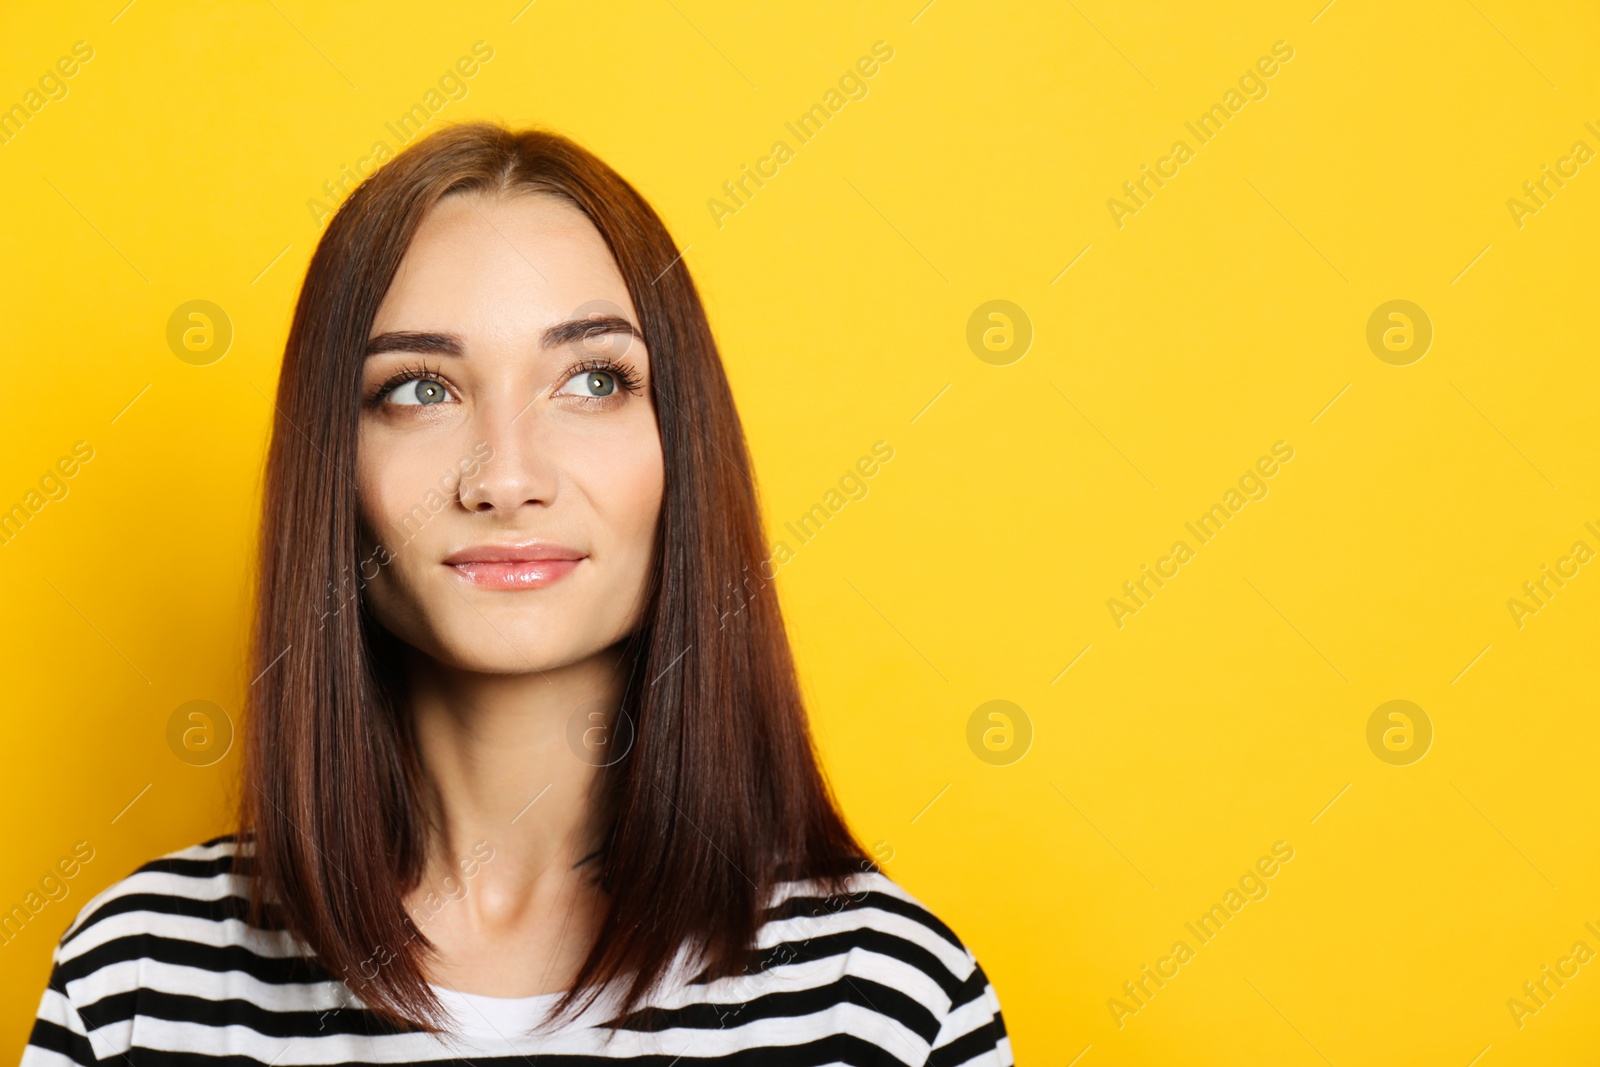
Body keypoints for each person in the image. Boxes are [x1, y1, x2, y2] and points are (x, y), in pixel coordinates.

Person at [20, 121, 1012, 1066]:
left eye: (592, 379)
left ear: (683, 449)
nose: (505, 475)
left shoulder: (882, 995)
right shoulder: (139, 981)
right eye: (419, 387)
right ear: (332, 471)